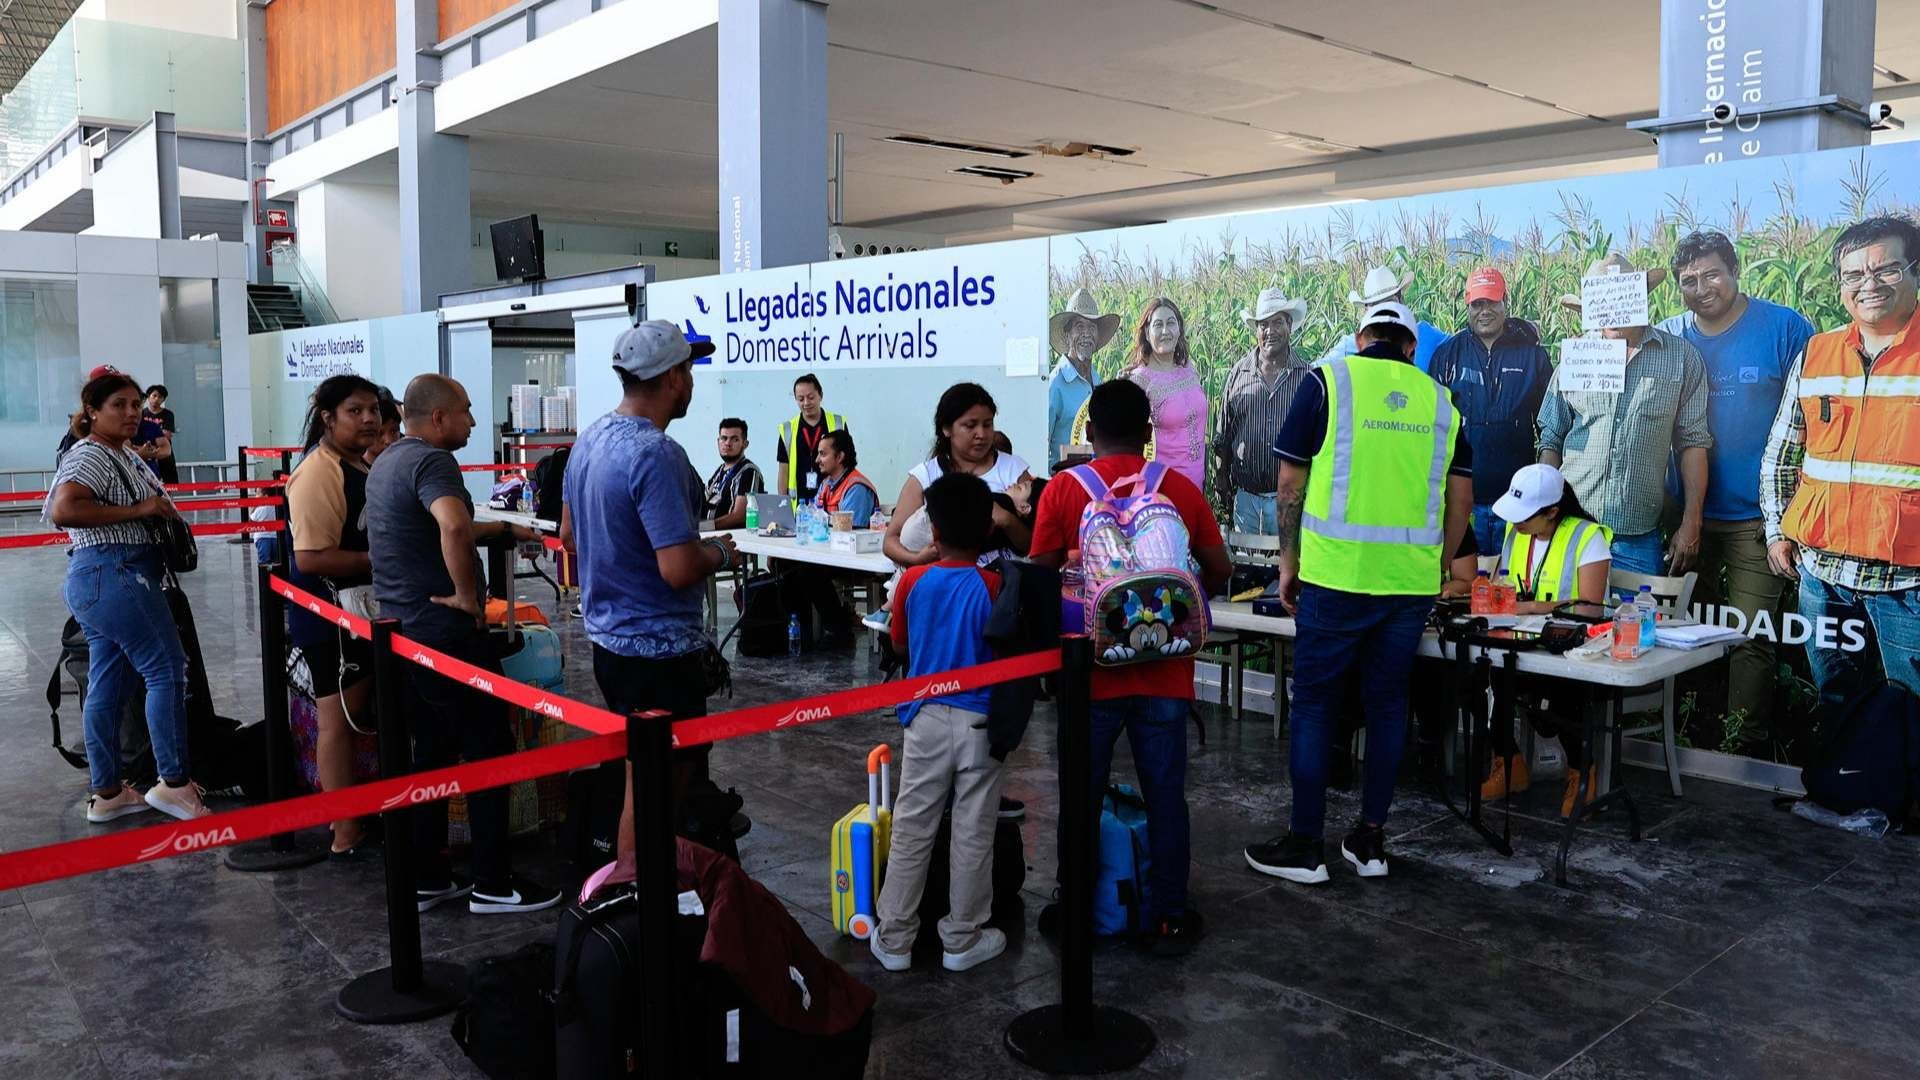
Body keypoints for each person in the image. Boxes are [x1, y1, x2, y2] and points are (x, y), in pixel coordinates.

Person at [1244, 301, 1472, 885]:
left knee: (1317, 704)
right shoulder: (1441, 402)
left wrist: (1288, 562)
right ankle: (1370, 842)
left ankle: (1305, 844)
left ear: (1361, 336)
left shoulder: (1328, 381)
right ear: (1410, 347)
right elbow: (1460, 500)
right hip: (1408, 589)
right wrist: (1439, 565)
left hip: (1335, 578)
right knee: (1387, 705)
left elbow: (1290, 481)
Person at [1028, 379, 1231, 953]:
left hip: (1088, 671)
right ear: (1147, 434)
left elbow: (1040, 576)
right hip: (1166, 672)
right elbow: (1217, 568)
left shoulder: (1065, 491)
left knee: (1081, 792)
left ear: (1089, 431)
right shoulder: (1180, 491)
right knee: (1166, 794)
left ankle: (1076, 910)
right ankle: (1168, 914)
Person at [366, 373, 557, 915]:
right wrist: (468, 597)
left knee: (431, 752)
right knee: (487, 748)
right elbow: (450, 525)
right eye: (468, 411)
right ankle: (494, 884)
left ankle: (428, 876)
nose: (475, 421)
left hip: (405, 633)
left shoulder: (387, 462)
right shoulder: (433, 462)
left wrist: (499, 531)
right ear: (438, 418)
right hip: (446, 634)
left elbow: (428, 527)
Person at [562, 321, 740, 869]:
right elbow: (679, 567)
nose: (692, 383)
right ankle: (639, 906)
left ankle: (642, 900)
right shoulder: (656, 454)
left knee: (643, 780)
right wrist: (724, 553)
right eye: (688, 371)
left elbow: (568, 536)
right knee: (658, 791)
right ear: (672, 378)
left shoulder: (590, 438)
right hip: (659, 654)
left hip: (610, 647)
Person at [1658, 230, 1814, 752]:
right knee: (1677, 634)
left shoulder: (1784, 328)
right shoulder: (1669, 337)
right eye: (1688, 280)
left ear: (1736, 269)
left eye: (1711, 274)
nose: (1701, 288)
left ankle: (1739, 746)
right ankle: (1683, 731)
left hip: (1756, 520)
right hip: (1683, 519)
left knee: (1751, 639)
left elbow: (1811, 420)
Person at [1762, 215, 1920, 709]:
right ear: (1840, 287)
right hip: (1824, 575)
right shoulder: (1818, 352)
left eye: (1886, 270)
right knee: (1836, 702)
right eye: (1854, 276)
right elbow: (1782, 453)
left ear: (1915, 272)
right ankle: (1840, 789)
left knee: (1911, 707)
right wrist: (1777, 529)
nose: (1868, 286)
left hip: (1907, 581)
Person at [46, 370, 208, 822]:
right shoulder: (92, 455)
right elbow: (65, 508)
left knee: (109, 681)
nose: (132, 412)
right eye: (119, 404)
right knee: (166, 669)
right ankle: (175, 785)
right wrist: (142, 508)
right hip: (115, 571)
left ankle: (108, 791)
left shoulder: (121, 453)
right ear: (93, 411)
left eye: (136, 404)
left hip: (101, 578)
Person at [869, 473, 1009, 974]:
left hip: (924, 716)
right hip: (980, 720)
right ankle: (962, 938)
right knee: (974, 828)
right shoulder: (994, 585)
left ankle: (896, 938)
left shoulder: (912, 581)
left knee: (912, 825)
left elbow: (901, 645)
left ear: (934, 533)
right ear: (987, 531)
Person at [1537, 253, 1712, 577]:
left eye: (1620, 301)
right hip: (1571, 531)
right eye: (1601, 303)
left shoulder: (1680, 358)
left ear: (1640, 300)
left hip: (1637, 540)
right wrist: (1544, 511)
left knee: (1635, 627)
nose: (1611, 312)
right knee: (1568, 626)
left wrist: (1691, 521)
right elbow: (1551, 437)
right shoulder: (1576, 357)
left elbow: (1693, 443)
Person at [284, 374, 385, 856]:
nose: (369, 418)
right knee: (337, 721)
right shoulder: (320, 471)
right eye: (355, 411)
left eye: (374, 410)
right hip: (331, 616)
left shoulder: (355, 464)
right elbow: (311, 557)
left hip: (359, 610)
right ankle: (344, 830)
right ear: (327, 417)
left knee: (353, 716)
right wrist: (388, 560)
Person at [1480, 463, 1614, 812]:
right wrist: (1533, 605)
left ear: (1553, 511)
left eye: (1526, 515)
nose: (1518, 522)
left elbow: (1589, 609)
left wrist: (1530, 608)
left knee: (1566, 694)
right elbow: (1500, 592)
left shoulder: (1587, 538)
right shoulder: (1517, 533)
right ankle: (1508, 763)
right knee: (1490, 671)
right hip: (1520, 641)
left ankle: (1582, 774)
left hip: (1571, 653)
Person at [1427, 267, 1554, 553]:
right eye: (1477, 304)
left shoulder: (1532, 355)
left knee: (1512, 586)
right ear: (1467, 306)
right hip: (1464, 504)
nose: (1485, 311)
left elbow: (1550, 427)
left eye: (1492, 302)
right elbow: (1434, 429)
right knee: (1466, 587)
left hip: (1518, 504)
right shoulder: (1448, 356)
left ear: (1505, 302)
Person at [882, 382, 1032, 570]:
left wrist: (1007, 520)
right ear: (946, 429)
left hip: (1003, 592)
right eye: (970, 426)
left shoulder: (1014, 470)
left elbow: (1033, 544)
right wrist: (917, 558)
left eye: (988, 425)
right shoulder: (925, 476)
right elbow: (890, 541)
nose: (982, 434)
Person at [1214, 287, 1312, 533]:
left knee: (1287, 570)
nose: (1270, 331)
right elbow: (1222, 437)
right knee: (1248, 569)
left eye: (1277, 322)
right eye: (1263, 324)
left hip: (1290, 501)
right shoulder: (1238, 374)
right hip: (1247, 501)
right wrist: (1222, 481)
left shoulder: (1307, 377)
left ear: (1289, 325)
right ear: (1256, 329)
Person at [790, 428, 880, 647]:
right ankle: (803, 628)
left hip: (855, 557)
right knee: (786, 564)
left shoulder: (856, 487)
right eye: (818, 454)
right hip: (829, 553)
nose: (817, 460)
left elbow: (853, 531)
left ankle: (838, 627)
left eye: (823, 454)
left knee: (808, 571)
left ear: (840, 457)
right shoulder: (827, 484)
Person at [1125, 298, 1208, 490]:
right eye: (1158, 325)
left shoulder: (1190, 369)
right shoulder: (1139, 382)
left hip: (1196, 485)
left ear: (1179, 329)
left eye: (1171, 323)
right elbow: (1130, 446)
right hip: (1161, 489)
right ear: (1147, 333)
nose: (1165, 331)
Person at [1317, 266, 1449, 373]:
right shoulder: (1349, 346)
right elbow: (1309, 372)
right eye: (1378, 307)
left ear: (1402, 300)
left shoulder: (1428, 335)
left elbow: (1464, 347)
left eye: (1390, 303)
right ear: (1367, 312)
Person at [1047, 288, 1117, 471]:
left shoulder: (1098, 381)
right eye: (1079, 326)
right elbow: (1040, 442)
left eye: (1092, 327)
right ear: (1068, 335)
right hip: (1064, 481)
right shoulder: (1055, 383)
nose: (1086, 333)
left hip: (1094, 479)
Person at [776, 373, 846, 501]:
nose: (806, 403)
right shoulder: (787, 430)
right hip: (799, 505)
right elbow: (783, 471)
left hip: (832, 501)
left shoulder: (838, 424)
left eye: (811, 397)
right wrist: (783, 505)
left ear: (820, 395)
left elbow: (847, 464)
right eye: (801, 399)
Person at [702, 417, 763, 529]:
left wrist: (703, 527)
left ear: (745, 444)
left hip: (734, 539)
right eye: (723, 438)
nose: (727, 443)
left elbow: (740, 516)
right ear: (718, 441)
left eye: (734, 439)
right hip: (711, 535)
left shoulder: (749, 471)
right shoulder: (719, 471)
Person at [141, 384, 179, 484]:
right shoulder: (141, 414)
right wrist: (158, 433)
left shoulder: (168, 414)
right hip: (145, 452)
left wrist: (149, 433)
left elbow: (167, 434)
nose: (157, 399)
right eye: (154, 396)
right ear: (149, 397)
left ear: (163, 400)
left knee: (170, 482)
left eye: (160, 397)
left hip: (164, 451)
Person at [365, 392, 402, 466]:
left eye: (393, 431)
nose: (388, 441)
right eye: (379, 433)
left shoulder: (406, 466)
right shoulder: (351, 472)